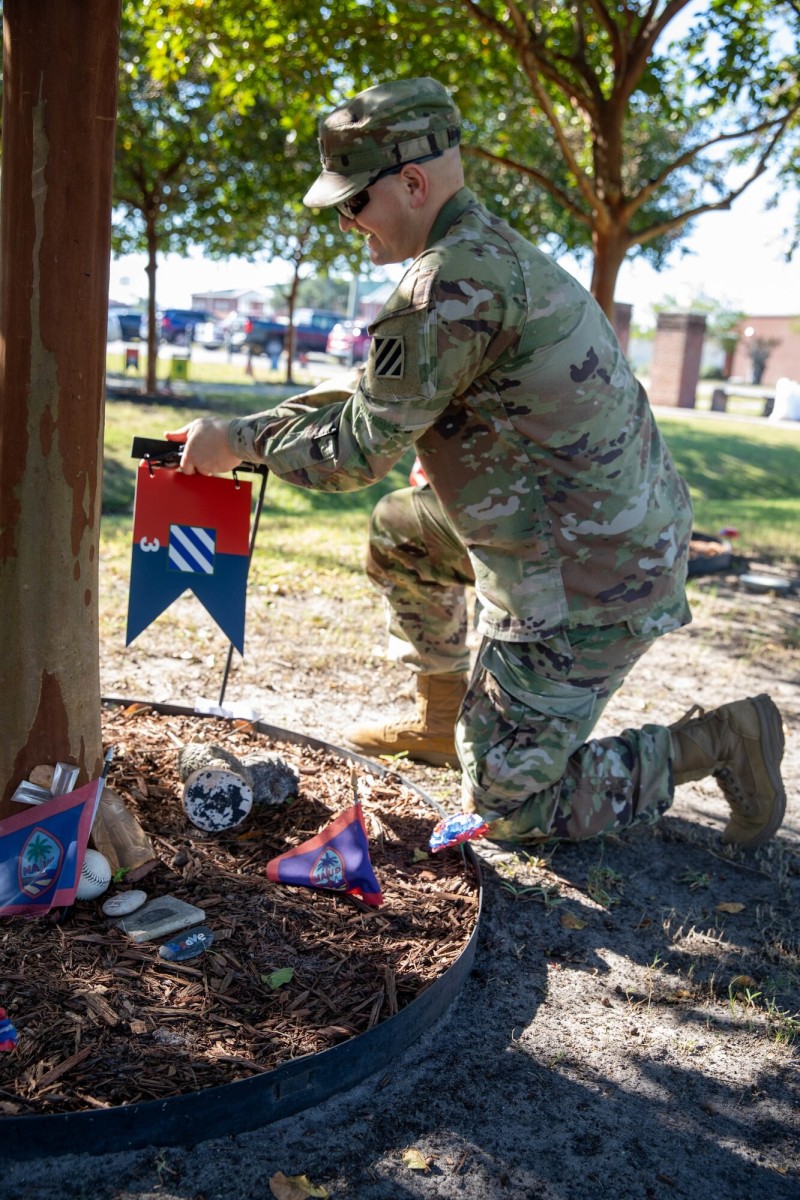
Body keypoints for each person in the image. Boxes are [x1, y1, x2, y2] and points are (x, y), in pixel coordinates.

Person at [167, 77, 786, 848]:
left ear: (412, 184)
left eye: (353, 202)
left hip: (586, 577)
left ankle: (719, 742)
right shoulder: (485, 253)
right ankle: (440, 719)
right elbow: (377, 397)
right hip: (588, 535)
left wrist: (236, 442)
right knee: (403, 529)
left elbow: (356, 451)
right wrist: (250, 428)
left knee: (505, 807)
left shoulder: (447, 284)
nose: (346, 222)